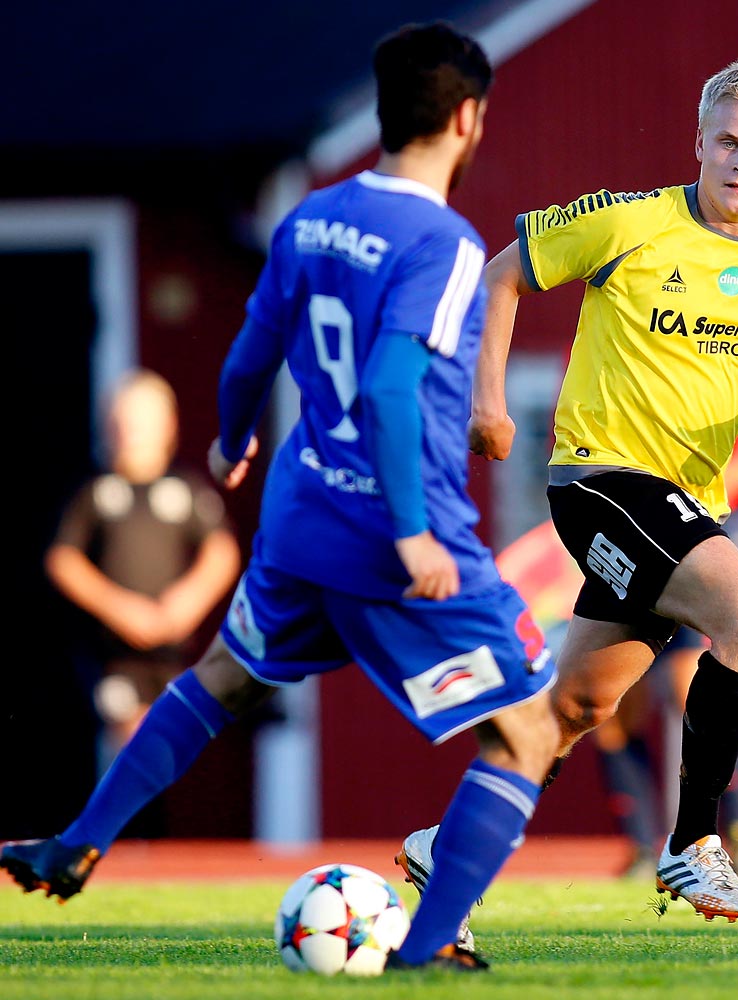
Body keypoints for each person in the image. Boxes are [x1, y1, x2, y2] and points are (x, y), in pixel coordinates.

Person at [1, 22, 558, 974]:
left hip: (300, 520)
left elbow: (251, 348)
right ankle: (424, 952)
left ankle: (76, 840)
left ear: (386, 114)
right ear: (469, 119)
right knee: (529, 730)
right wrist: (417, 537)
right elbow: (389, 388)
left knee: (220, 677)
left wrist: (228, 435)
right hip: (395, 538)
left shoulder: (310, 217)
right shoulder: (449, 246)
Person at [398, 54, 738, 932]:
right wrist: (486, 399)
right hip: (600, 480)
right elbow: (503, 272)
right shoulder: (628, 224)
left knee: (578, 706)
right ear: (699, 142)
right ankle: (693, 844)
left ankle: (447, 846)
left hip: (689, 504)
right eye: (728, 141)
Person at [593, 391, 738, 880]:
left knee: (692, 688)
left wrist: (691, 492)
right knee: (608, 702)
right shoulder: (606, 363)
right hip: (626, 531)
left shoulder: (725, 361)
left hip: (694, 538)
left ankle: (734, 830)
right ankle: (641, 843)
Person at [46, 370, 241, 803]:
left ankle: (160, 845)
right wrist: (121, 609)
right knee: (131, 739)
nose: (131, 432)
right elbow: (64, 560)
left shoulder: (184, 490)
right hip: (113, 654)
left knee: (172, 738)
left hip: (171, 651)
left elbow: (221, 552)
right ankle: (123, 841)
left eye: (142, 421)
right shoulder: (96, 493)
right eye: (123, 421)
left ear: (168, 426)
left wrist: (184, 605)